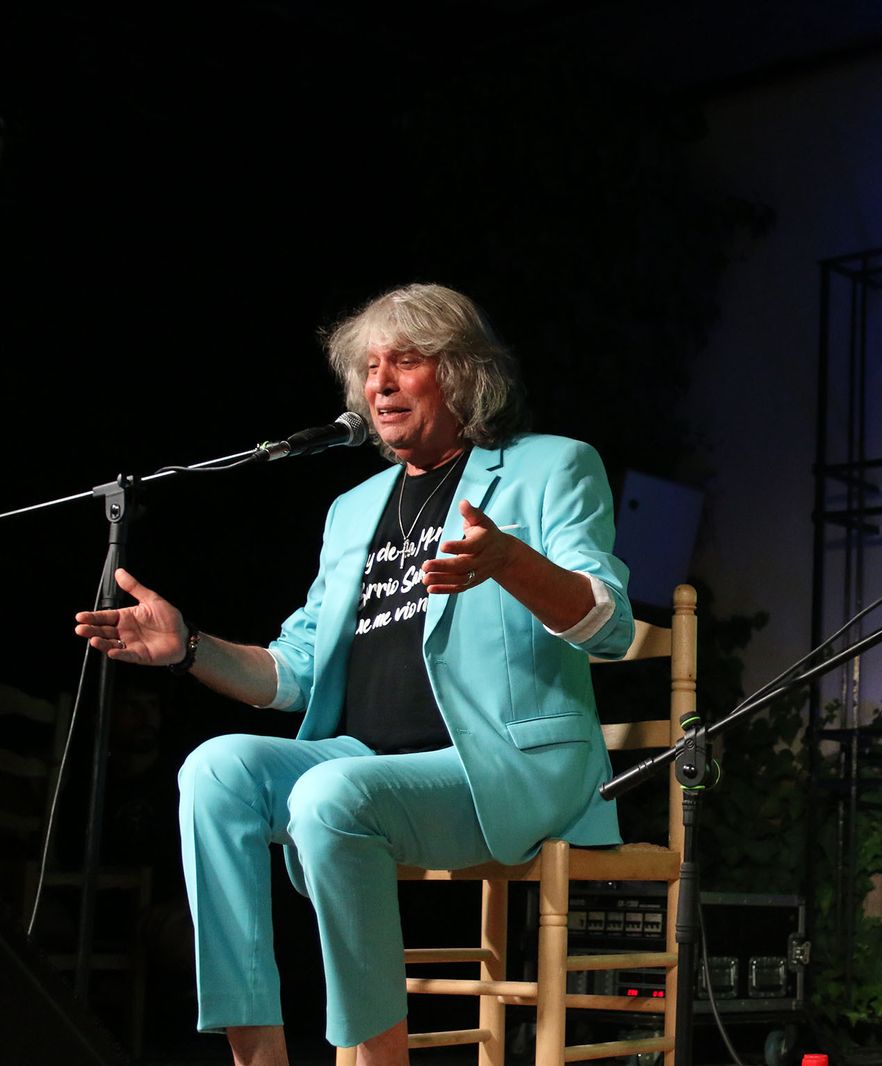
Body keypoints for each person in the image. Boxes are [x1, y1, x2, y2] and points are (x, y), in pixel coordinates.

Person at [74, 283, 633, 1065]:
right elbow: (296, 671)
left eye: (406, 362)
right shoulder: (354, 509)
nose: (379, 384)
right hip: (367, 759)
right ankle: (258, 1051)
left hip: (504, 767)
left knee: (330, 795)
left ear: (463, 374)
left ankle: (379, 1058)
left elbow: (608, 625)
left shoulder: (551, 468)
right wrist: (191, 647)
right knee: (216, 770)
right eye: (370, 368)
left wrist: (510, 560)